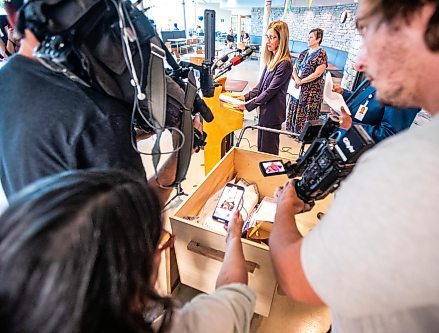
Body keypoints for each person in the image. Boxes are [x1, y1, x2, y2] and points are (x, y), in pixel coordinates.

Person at [270, 0, 439, 332]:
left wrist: (283, 209)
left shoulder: (418, 166)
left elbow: (295, 276)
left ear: (423, 12)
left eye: (366, 29)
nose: (361, 58)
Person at [0, 170, 255, 333]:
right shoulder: (191, 327)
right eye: (160, 241)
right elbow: (234, 292)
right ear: (126, 278)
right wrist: (234, 236)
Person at [0, 0, 199, 204]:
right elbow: (135, 224)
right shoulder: (100, 116)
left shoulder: (4, 82)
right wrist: (180, 156)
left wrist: (130, 136)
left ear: (12, 17)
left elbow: (49, 149)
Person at [237, 21, 293, 155]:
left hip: (273, 113)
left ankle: (269, 175)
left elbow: (269, 92)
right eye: (267, 37)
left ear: (281, 40)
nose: (268, 41)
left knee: (268, 151)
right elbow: (260, 87)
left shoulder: (284, 64)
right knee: (261, 148)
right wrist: (244, 97)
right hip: (264, 111)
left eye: (272, 37)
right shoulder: (272, 60)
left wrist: (247, 105)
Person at [331, 77, 420, 143]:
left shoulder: (405, 90)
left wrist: (350, 125)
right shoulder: (378, 74)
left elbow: (389, 135)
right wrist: (343, 94)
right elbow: (365, 101)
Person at [286, 28, 328, 134]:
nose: (308, 39)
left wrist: (302, 81)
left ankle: (303, 133)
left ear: (318, 39)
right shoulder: (304, 53)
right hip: (298, 87)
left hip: (311, 90)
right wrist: (296, 79)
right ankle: (292, 129)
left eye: (311, 37)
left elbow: (318, 73)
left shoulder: (321, 54)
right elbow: (294, 67)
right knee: (295, 106)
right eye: (308, 37)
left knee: (307, 110)